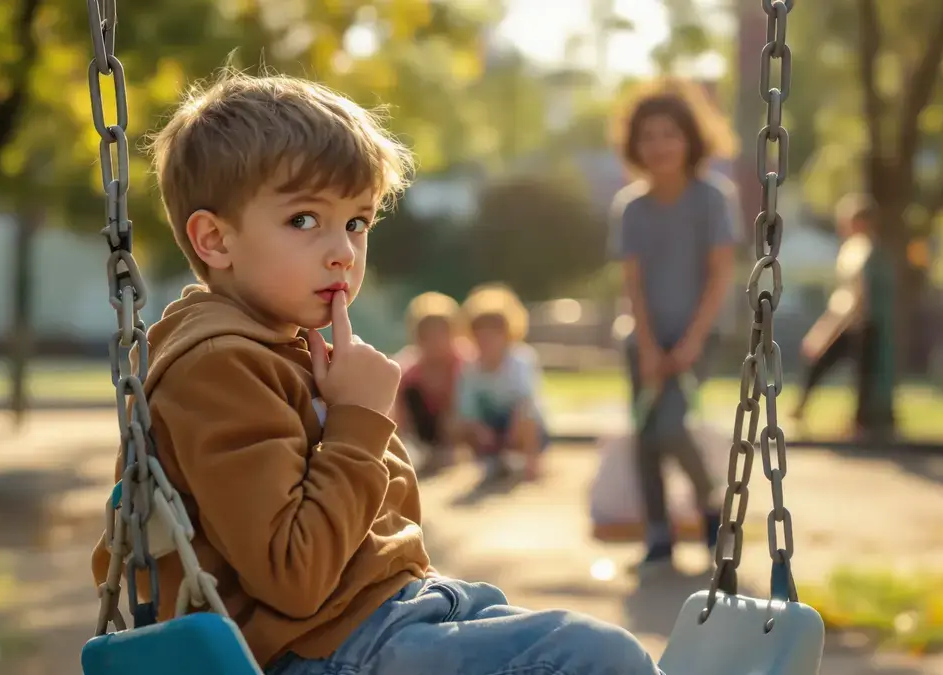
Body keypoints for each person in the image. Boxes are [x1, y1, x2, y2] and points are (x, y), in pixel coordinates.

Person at [88, 71, 660, 675]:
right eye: (304, 220)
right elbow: (295, 578)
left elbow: (381, 526)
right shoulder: (218, 366)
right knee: (597, 658)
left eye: (357, 222)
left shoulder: (285, 348)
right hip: (323, 647)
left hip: (391, 615)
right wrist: (360, 418)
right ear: (215, 239)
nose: (343, 250)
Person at [608, 79, 735, 573]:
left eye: (670, 134)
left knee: (673, 427)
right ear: (635, 145)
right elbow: (633, 285)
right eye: (648, 136)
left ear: (690, 138)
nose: (659, 145)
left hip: (697, 338)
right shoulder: (632, 208)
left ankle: (711, 508)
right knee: (645, 435)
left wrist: (688, 344)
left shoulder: (712, 199)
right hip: (642, 339)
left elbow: (720, 274)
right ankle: (658, 535)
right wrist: (646, 346)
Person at [793, 193, 877, 422]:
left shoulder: (859, 250)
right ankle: (857, 419)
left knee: (829, 364)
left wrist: (828, 328)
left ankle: (858, 421)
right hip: (852, 321)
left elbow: (852, 295)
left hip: (853, 323)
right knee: (860, 375)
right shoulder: (854, 248)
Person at [456, 283, 549, 484]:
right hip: (490, 426)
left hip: (520, 425)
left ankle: (531, 464)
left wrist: (512, 434)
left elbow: (526, 402)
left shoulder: (521, 360)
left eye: (494, 331)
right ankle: (490, 460)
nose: (486, 338)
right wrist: (480, 431)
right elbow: (467, 410)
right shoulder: (470, 368)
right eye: (481, 331)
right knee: (461, 424)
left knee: (526, 415)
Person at [391, 291, 472, 476]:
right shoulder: (409, 368)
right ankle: (420, 452)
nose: (435, 342)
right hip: (423, 430)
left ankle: (453, 452)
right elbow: (398, 414)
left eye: (441, 333)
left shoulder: (466, 363)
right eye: (427, 335)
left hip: (456, 427)